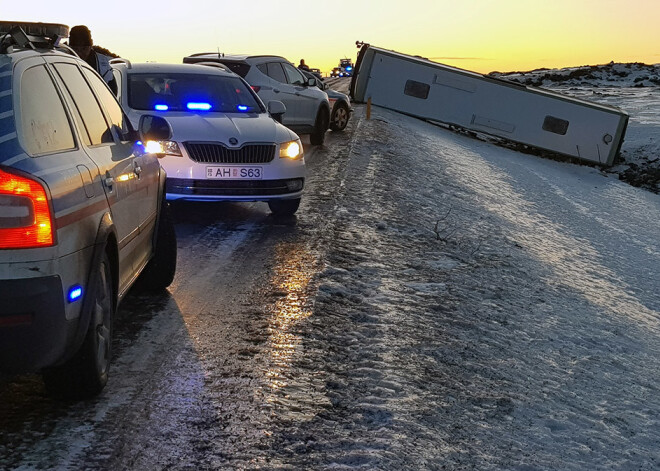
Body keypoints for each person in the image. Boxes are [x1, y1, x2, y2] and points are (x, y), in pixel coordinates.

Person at [68, 25, 117, 95]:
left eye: (84, 49)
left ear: (90, 47)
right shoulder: (62, 62)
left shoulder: (104, 65)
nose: (79, 53)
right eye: (75, 49)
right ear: (70, 48)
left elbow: (112, 94)